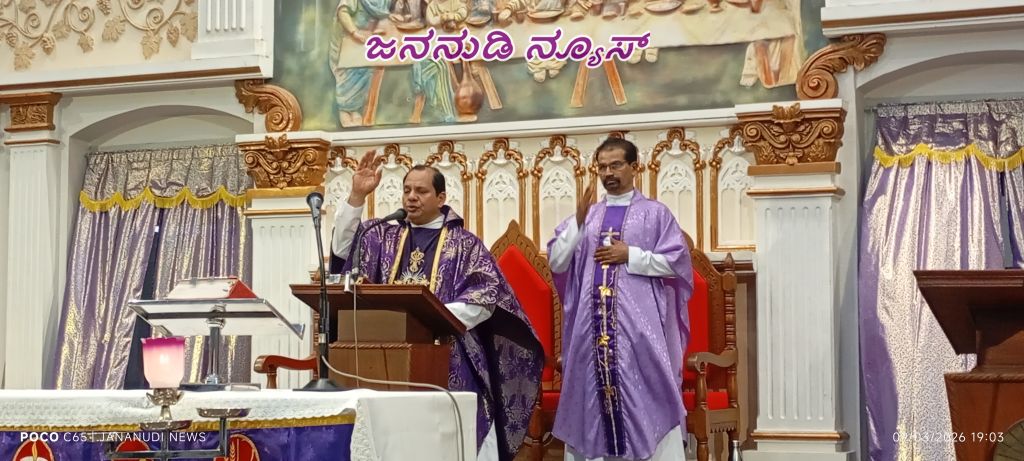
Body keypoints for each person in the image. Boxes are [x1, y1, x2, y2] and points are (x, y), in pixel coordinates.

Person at [330, 151, 544, 461]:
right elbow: (342, 248)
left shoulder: (464, 244)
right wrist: (356, 196)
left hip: (449, 351)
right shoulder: (383, 235)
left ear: (441, 197)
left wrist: (432, 316)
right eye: (407, 190)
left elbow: (486, 295)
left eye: (421, 191)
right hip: (388, 353)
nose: (411, 197)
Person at [547, 138, 694, 461]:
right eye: (602, 167)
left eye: (615, 165)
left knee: (646, 398)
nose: (608, 173)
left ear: (634, 167)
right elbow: (557, 263)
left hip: (639, 333)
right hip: (590, 335)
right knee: (590, 401)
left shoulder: (655, 214)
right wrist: (578, 222)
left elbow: (677, 264)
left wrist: (631, 255)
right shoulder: (588, 216)